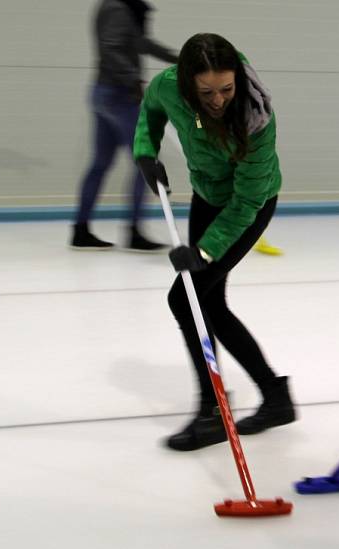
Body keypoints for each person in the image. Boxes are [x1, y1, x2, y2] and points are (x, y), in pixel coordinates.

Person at [134, 33, 296, 451]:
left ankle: (212, 411)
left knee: (184, 298)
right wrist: (145, 153)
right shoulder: (168, 86)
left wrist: (204, 251)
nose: (219, 99)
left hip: (248, 207)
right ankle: (274, 397)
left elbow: (246, 202)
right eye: (207, 93)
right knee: (207, 302)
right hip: (206, 196)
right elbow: (151, 109)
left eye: (226, 88)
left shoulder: (256, 118)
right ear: (188, 84)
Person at [70, 0, 179, 251]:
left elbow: (139, 43)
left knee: (100, 163)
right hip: (118, 95)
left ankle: (80, 230)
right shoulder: (118, 7)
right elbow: (111, 47)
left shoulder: (117, 6)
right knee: (146, 161)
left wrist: (177, 57)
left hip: (105, 93)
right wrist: (133, 79)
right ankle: (134, 232)